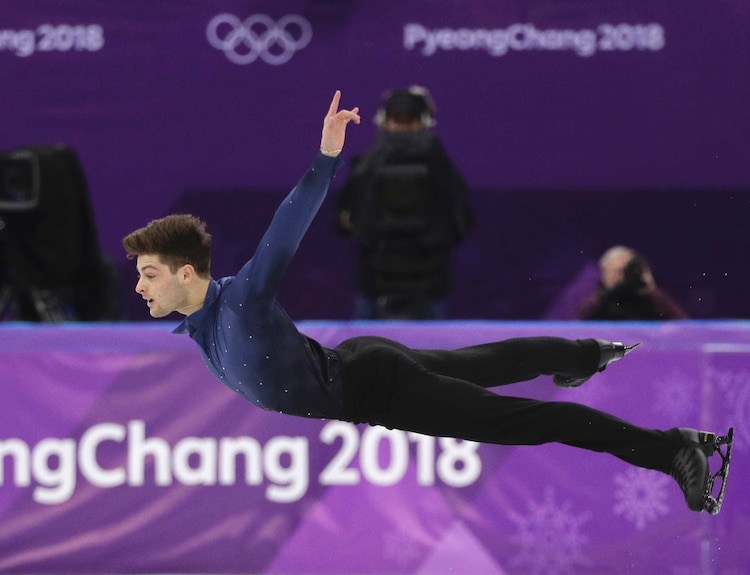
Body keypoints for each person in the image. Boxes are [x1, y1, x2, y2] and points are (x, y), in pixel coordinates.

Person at [122, 90, 728, 514]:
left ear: (186, 272)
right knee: (482, 365)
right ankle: (584, 352)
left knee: (527, 420)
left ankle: (671, 448)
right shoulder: (199, 327)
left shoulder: (240, 304)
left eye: (149, 274)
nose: (141, 287)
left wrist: (326, 156)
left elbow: (285, 230)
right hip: (360, 363)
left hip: (374, 387)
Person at [333, 86, 472, 319]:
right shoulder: (441, 166)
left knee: (361, 351)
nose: (404, 127)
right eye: (399, 119)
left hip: (387, 281)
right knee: (434, 352)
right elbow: (462, 220)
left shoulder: (367, 165)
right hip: (416, 280)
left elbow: (344, 219)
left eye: (409, 120)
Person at [578, 245, 689, 320]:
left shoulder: (648, 297)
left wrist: (650, 289)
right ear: (604, 273)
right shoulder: (595, 300)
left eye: (627, 271)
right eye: (617, 272)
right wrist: (611, 293)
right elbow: (582, 320)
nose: (622, 277)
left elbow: (681, 323)